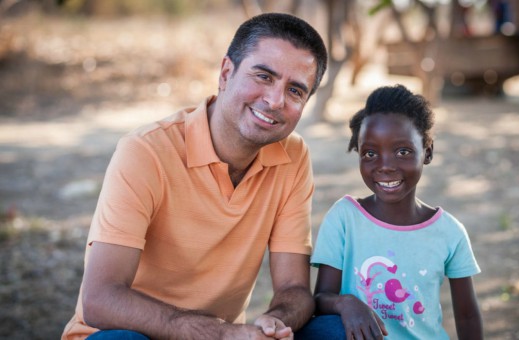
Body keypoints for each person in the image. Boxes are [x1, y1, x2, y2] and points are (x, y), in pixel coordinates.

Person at [62, 12, 327, 340]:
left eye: (296, 91)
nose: (275, 101)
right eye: (263, 76)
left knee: (335, 329)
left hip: (222, 336)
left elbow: (295, 289)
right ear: (226, 73)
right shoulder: (145, 151)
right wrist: (222, 334)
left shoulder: (293, 157)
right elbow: (100, 299)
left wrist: (273, 321)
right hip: (132, 334)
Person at [297, 85, 483, 339]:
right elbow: (320, 300)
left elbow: (468, 315)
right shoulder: (345, 218)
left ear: (427, 152)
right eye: (370, 153)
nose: (385, 166)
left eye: (402, 152)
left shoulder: (449, 232)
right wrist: (346, 302)